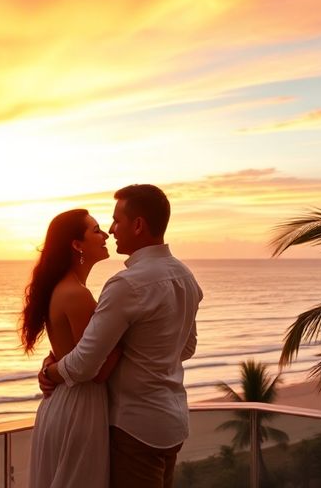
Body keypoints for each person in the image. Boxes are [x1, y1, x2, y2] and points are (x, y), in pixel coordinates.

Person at [40, 184, 202, 488]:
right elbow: (187, 347)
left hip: (134, 427)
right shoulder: (185, 277)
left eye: (116, 221)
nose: (112, 230)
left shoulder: (126, 285)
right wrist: (148, 350)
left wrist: (50, 371)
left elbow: (85, 364)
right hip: (172, 422)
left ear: (138, 225)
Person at [22, 209, 121, 488]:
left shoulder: (63, 288)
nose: (105, 235)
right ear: (77, 245)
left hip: (62, 402)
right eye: (96, 230)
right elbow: (98, 371)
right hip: (79, 407)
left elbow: (68, 350)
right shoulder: (77, 294)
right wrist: (127, 330)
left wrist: (50, 366)